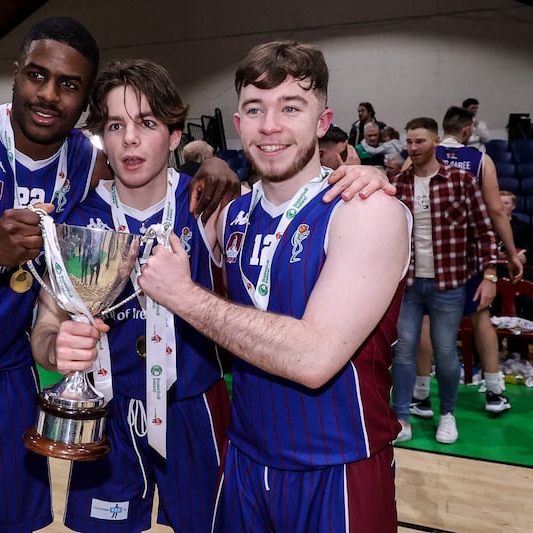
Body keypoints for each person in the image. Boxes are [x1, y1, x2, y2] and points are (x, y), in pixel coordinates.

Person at [0, 17, 243, 533]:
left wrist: (216, 164)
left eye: (68, 85)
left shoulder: (87, 163)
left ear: (83, 102)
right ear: (16, 72)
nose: (47, 95)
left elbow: (154, 169)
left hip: (9, 373)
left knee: (16, 523)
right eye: (37, 76)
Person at [138, 40, 411, 533]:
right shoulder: (229, 214)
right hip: (243, 463)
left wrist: (181, 295)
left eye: (291, 107)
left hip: (339, 469)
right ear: (238, 125)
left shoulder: (366, 210)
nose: (270, 126)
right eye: (255, 109)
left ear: (322, 122)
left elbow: (312, 359)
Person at [30, 59, 231, 533]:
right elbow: (44, 327)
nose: (130, 139)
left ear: (176, 135)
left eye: (147, 123)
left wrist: (365, 181)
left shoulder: (209, 204)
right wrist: (55, 349)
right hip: (108, 408)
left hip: (192, 405)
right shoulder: (78, 217)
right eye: (116, 125)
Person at [391, 116, 498, 444]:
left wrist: (490, 275)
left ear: (436, 141)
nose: (413, 147)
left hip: (449, 283)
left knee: (445, 350)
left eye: (419, 141)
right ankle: (401, 418)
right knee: (404, 349)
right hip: (408, 284)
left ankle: (448, 414)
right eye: (409, 142)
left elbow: (484, 230)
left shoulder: (461, 180)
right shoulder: (398, 183)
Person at [410, 106, 518, 420]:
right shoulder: (480, 160)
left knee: (425, 321)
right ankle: (495, 392)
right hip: (466, 254)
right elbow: (497, 211)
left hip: (427, 252)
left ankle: (421, 396)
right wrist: (509, 254)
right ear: (469, 130)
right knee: (480, 316)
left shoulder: (419, 154)